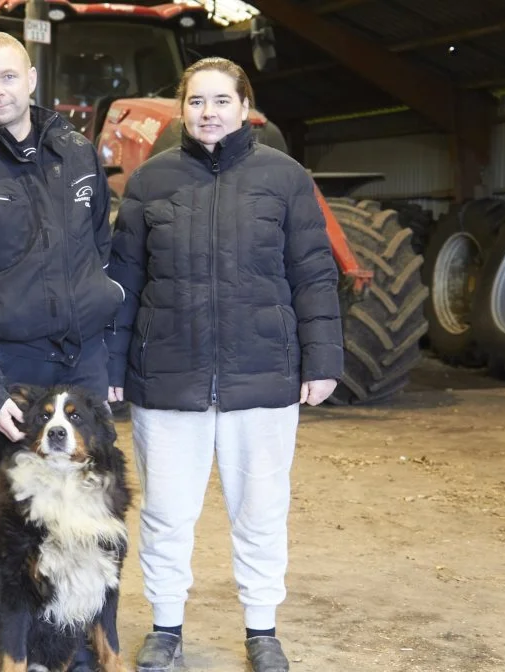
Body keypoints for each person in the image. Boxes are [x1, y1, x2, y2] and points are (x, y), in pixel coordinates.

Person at [105, 57, 343, 672]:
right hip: (168, 376)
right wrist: (112, 363)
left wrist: (322, 359)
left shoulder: (285, 179)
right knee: (165, 512)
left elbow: (313, 274)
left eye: (220, 101)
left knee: (261, 510)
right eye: (196, 101)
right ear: (182, 108)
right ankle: (166, 626)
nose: (208, 113)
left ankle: (262, 629)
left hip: (263, 376)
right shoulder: (152, 182)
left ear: (245, 108)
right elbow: (125, 280)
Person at [0, 30, 124, 671]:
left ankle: (69, 642)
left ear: (31, 79)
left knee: (92, 503)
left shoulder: (77, 152)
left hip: (82, 358)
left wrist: (106, 354)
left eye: (6, 78)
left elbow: (102, 252)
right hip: (10, 369)